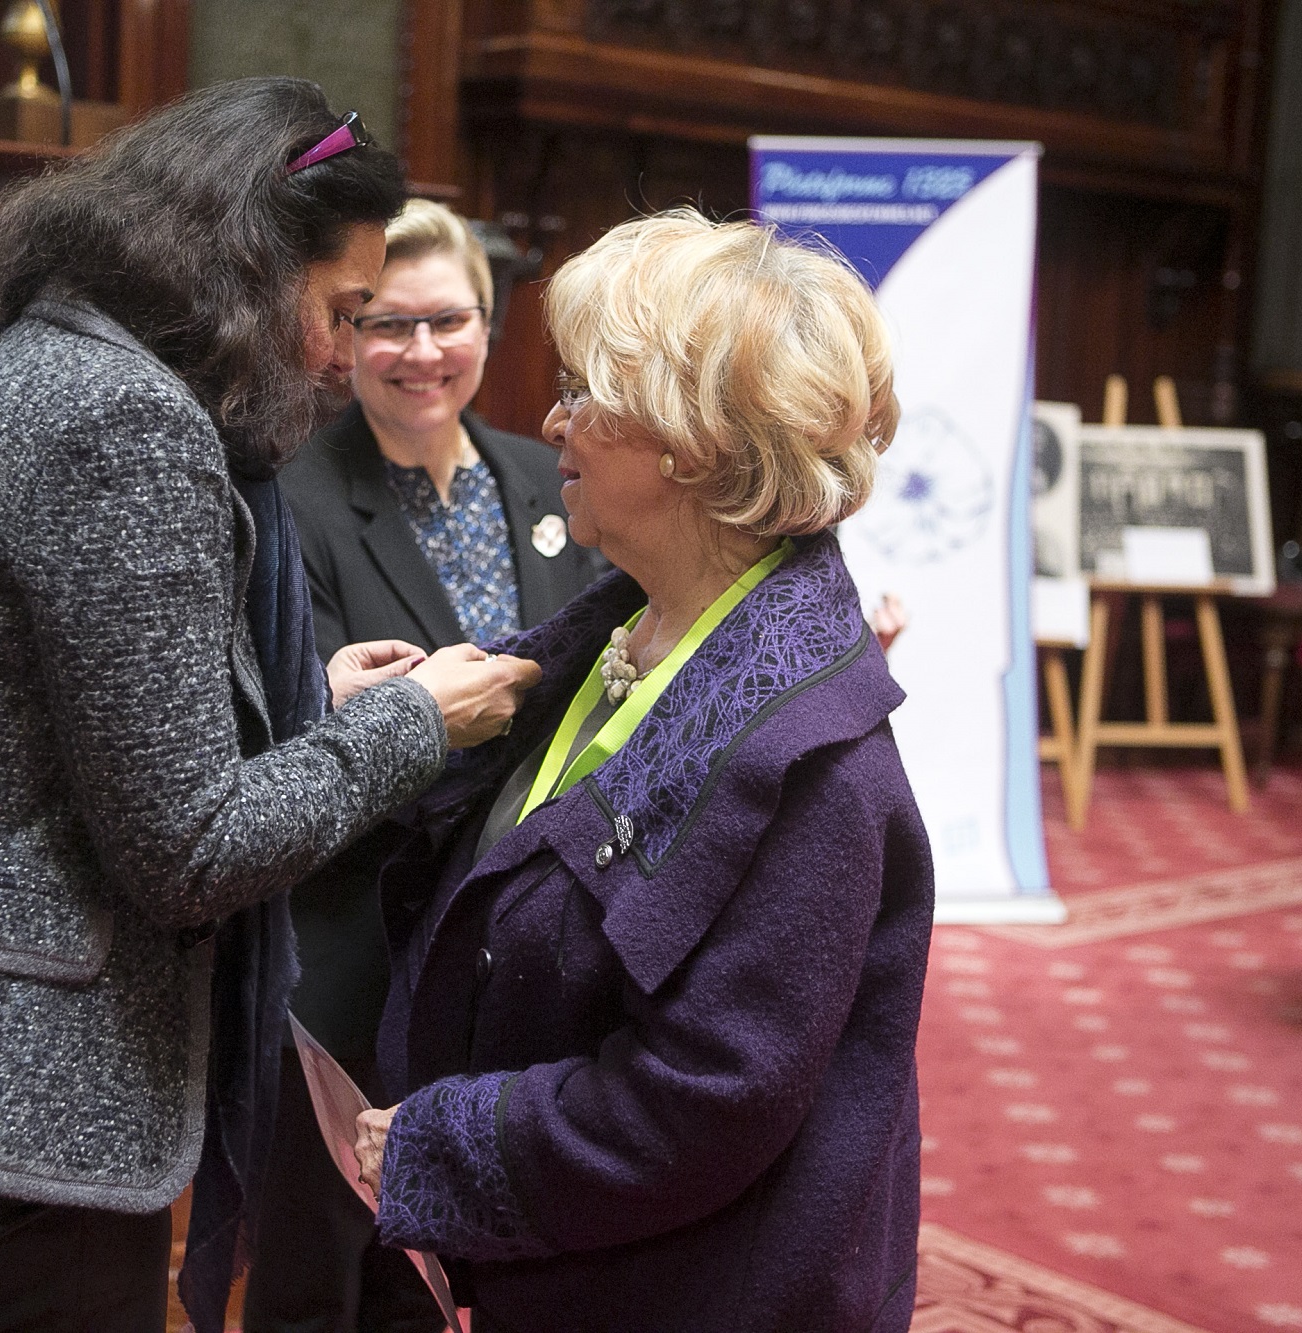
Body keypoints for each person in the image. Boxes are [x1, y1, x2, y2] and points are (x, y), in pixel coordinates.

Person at [0, 79, 539, 1333]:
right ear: (245, 263)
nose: (336, 356)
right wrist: (413, 722)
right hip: (1, 1064)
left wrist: (304, 695)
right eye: (336, 311)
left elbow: (39, 710)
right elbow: (188, 847)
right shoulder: (127, 422)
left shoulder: (55, 353)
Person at [349, 210, 933, 1333]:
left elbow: (705, 1096)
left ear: (691, 443)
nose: (552, 420)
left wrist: (444, 1141)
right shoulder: (629, 631)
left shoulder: (814, 761)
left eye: (584, 394)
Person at [247, 200, 606, 1333]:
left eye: (445, 321)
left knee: (439, 1271)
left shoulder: (549, 480)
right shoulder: (284, 496)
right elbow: (283, 735)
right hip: (348, 945)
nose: (418, 354)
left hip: (509, 944)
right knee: (317, 1273)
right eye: (384, 326)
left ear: (488, 327)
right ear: (344, 338)